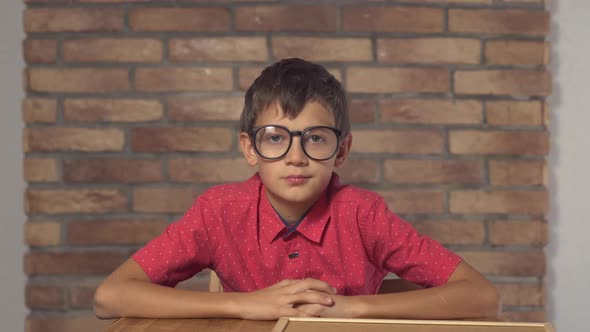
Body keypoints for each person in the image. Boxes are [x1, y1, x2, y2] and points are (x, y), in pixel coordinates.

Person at [93, 58, 500, 320]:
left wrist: (350, 309)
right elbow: (109, 297)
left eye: (316, 138)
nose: (296, 157)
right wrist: (242, 304)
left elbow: (482, 297)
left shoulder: (363, 213)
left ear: (341, 151)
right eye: (275, 138)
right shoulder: (218, 211)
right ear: (249, 148)